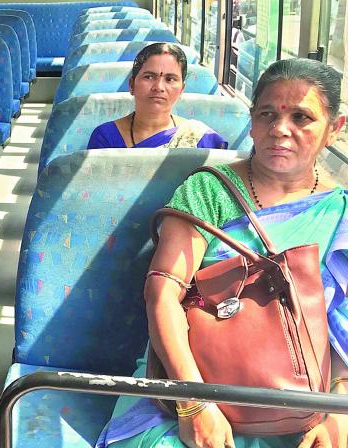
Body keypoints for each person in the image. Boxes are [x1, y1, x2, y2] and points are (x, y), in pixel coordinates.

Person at [96, 58, 348, 447]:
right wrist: (194, 405)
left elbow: (341, 329)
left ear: (334, 129)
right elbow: (162, 295)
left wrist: (338, 408)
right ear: (252, 120)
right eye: (268, 114)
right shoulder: (208, 191)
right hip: (190, 381)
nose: (281, 129)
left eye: (302, 117)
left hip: (308, 401)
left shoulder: (341, 214)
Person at [87, 43, 228, 150]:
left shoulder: (199, 138)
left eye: (170, 79)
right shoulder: (105, 137)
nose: (159, 87)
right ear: (131, 85)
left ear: (181, 90)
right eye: (149, 77)